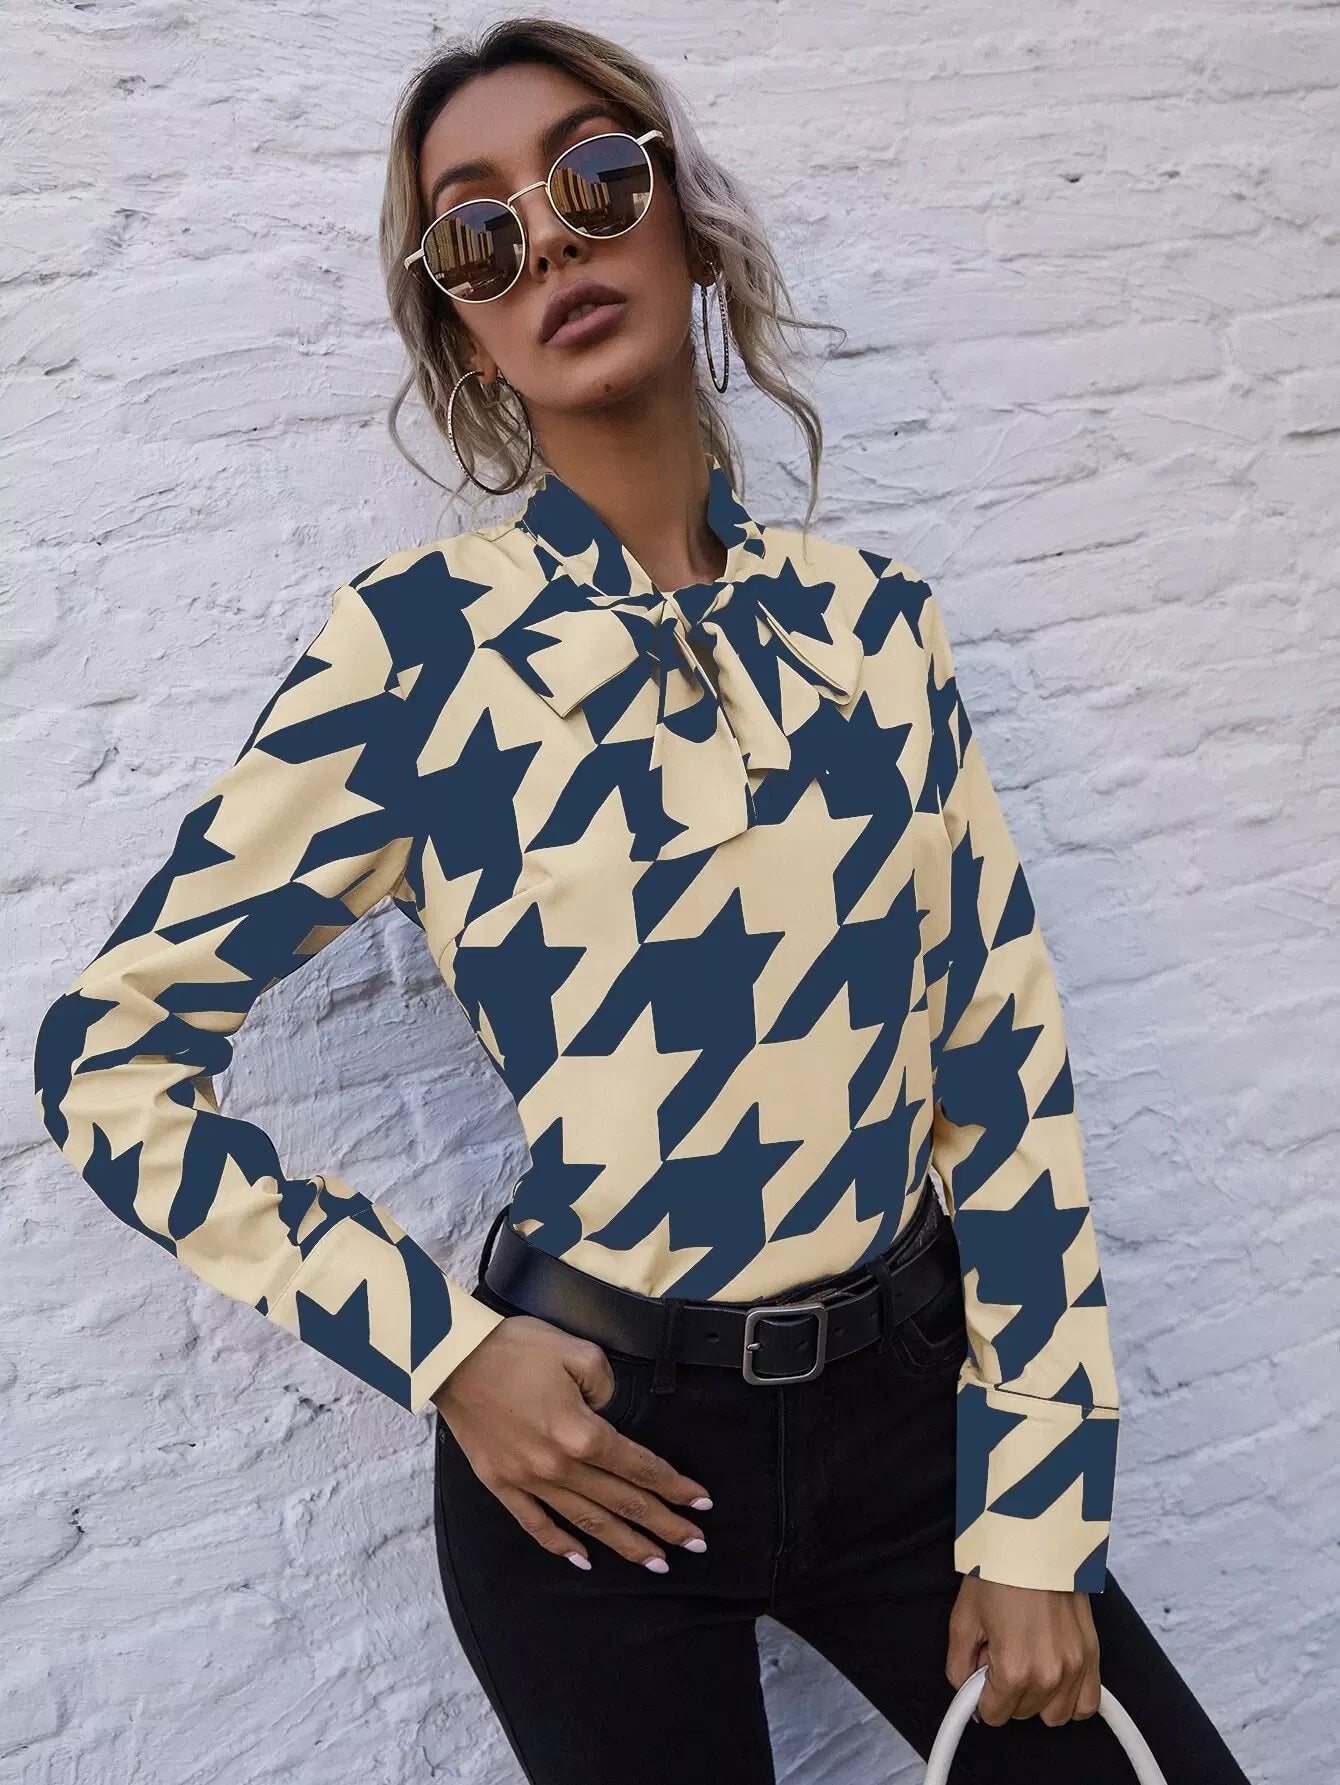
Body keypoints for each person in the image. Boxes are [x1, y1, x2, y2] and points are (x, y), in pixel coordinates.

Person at [32, 17, 1255, 1785]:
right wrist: (449, 1354)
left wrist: (1043, 1509)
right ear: (460, 321)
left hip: (917, 1419)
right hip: (595, 1457)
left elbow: (1000, 1071)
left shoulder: (875, 629)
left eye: (596, 179)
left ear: (685, 220)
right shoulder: (417, 655)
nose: (548, 241)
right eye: (478, 231)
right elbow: (107, 1057)